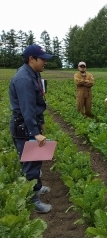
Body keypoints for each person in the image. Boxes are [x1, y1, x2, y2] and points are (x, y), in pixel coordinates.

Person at [9, 44, 53, 213]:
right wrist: (35, 132)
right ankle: (33, 200)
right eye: (42, 59)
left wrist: (40, 122)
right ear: (31, 59)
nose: (45, 62)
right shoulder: (24, 79)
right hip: (24, 127)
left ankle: (36, 186)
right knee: (30, 164)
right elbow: (27, 109)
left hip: (30, 124)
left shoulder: (33, 74)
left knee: (36, 160)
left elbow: (37, 103)